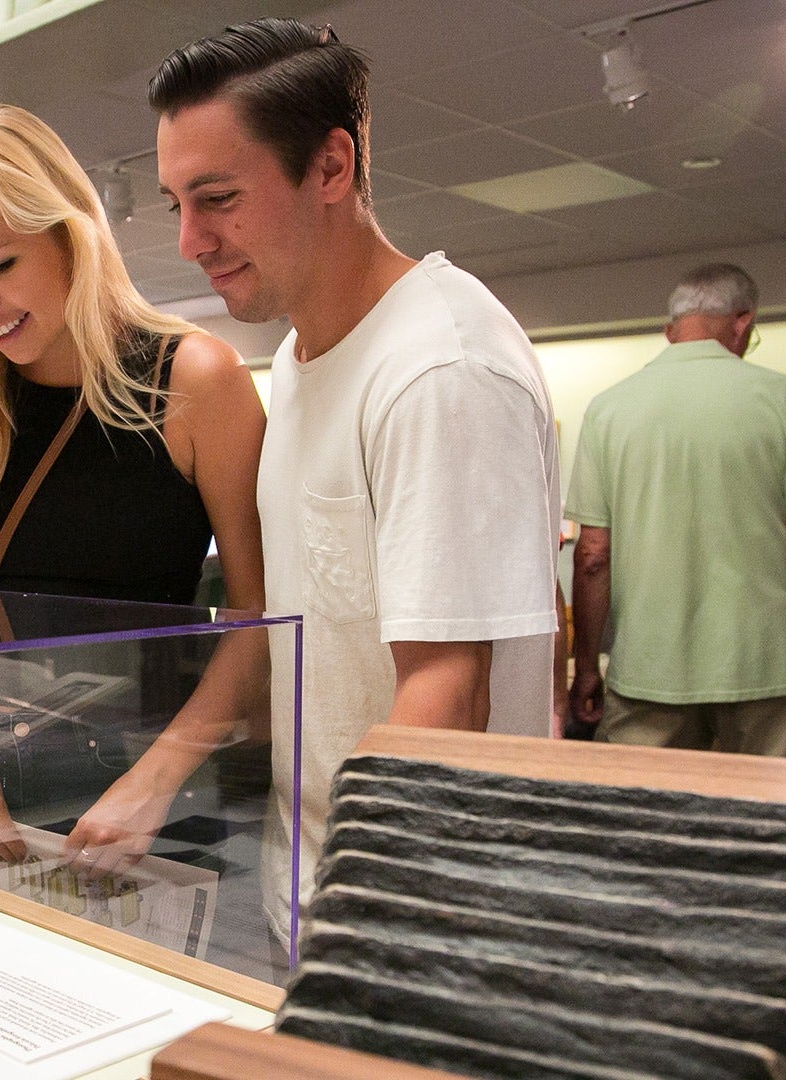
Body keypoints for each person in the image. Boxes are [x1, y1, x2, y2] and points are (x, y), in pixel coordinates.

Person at [151, 19, 560, 938]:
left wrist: (356, 926)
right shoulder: (299, 357)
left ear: (332, 168)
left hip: (422, 908)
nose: (190, 241)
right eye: (176, 202)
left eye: (217, 198)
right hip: (320, 883)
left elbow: (450, 690)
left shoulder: (440, 367)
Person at [0, 104, 267, 872]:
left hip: (138, 782)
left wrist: (157, 777)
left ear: (69, 234)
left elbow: (260, 614)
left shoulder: (195, 379)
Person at [567, 263, 786, 757]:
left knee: (640, 821)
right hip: (767, 668)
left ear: (670, 331)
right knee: (764, 822)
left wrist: (587, 664)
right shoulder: (785, 398)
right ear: (743, 323)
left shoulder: (608, 409)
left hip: (647, 670)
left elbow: (593, 554)